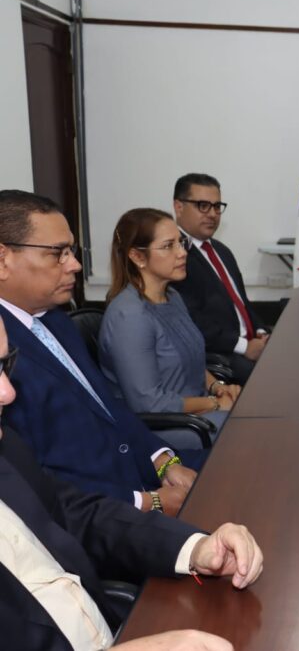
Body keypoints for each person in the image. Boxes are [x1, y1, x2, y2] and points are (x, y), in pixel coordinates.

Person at [0, 314, 262, 650]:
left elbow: (77, 516)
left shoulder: (9, 450)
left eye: (6, 365)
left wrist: (195, 547)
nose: (8, 393)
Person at [0, 190, 199, 516]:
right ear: (3, 259)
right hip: (98, 514)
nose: (75, 265)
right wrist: (148, 503)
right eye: (58, 253)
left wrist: (164, 461)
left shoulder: (55, 320)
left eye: (72, 251)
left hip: (139, 471)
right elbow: (34, 477)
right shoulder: (4, 348)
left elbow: (108, 405)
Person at [100, 209, 241, 432]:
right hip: (165, 429)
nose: (182, 253)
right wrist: (214, 404)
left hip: (196, 413)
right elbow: (150, 404)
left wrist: (217, 387)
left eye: (181, 242)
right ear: (137, 256)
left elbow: (190, 360)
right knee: (246, 430)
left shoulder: (173, 297)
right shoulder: (129, 317)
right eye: (168, 246)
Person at [171, 173, 269, 385]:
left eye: (217, 207)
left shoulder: (221, 250)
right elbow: (190, 320)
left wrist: (261, 333)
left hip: (249, 344)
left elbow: (241, 303)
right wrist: (244, 347)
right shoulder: (175, 256)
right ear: (179, 207)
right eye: (203, 205)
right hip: (219, 355)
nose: (213, 214)